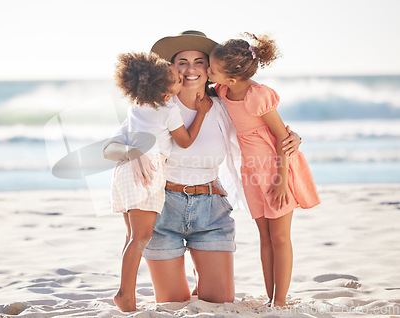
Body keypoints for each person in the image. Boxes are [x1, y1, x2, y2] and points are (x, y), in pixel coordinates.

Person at [103, 31, 302, 307]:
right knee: (172, 303)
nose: (190, 69)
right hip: (164, 212)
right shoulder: (154, 106)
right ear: (170, 67)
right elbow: (108, 149)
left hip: (211, 211)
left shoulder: (223, 105)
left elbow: (261, 128)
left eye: (199, 61)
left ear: (210, 70)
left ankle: (203, 274)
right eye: (182, 61)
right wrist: (130, 151)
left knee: (219, 302)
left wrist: (292, 137)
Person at [207, 33, 320, 307]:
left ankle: (280, 301)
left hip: (275, 171)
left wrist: (282, 181)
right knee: (265, 237)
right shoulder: (223, 90)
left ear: (232, 78)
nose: (207, 72)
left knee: (280, 237)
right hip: (251, 173)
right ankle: (271, 298)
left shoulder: (258, 96)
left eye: (211, 69)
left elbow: (283, 139)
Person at [110, 51, 212, 312]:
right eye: (178, 79)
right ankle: (125, 295)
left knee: (132, 236)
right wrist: (200, 112)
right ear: (167, 93)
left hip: (125, 169)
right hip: (148, 170)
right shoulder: (169, 109)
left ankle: (126, 291)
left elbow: (112, 146)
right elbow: (185, 141)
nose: (182, 79)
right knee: (141, 237)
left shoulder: (137, 107)